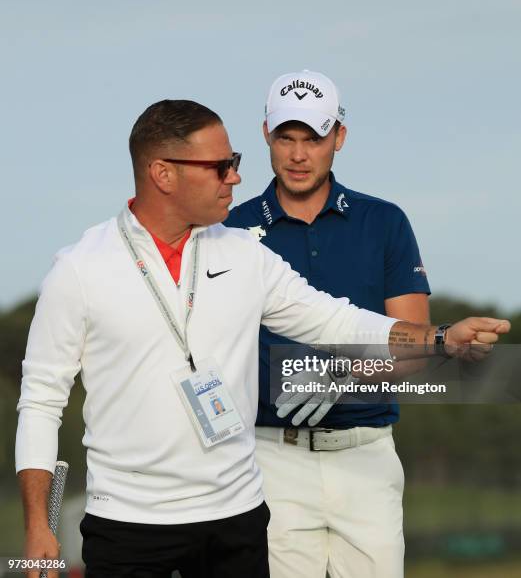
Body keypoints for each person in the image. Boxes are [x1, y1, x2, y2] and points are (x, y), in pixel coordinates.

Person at [16, 99, 509, 578]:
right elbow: (40, 400)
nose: (235, 177)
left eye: (235, 162)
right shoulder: (80, 268)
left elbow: (337, 322)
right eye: (221, 166)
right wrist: (39, 526)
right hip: (126, 522)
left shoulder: (246, 253)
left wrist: (438, 338)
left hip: (238, 518)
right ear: (164, 174)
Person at [224, 69, 431, 577]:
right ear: (266, 135)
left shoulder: (384, 222)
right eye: (285, 138)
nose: (298, 155)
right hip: (270, 455)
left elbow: (414, 350)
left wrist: (339, 376)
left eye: (313, 139)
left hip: (366, 453)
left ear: (338, 137)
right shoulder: (226, 230)